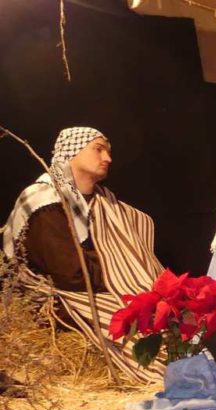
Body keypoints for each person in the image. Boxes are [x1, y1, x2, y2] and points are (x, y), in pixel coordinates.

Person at [1, 127, 165, 382]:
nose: (108, 158)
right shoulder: (44, 199)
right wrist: (120, 271)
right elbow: (70, 274)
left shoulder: (104, 202)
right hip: (54, 296)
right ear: (72, 151)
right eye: (98, 149)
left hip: (100, 285)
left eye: (108, 152)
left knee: (161, 310)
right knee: (128, 322)